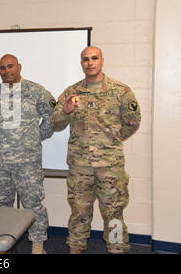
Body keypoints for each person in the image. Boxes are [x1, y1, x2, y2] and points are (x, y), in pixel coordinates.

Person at [50, 46, 141, 254]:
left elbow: (133, 121)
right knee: (79, 211)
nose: (90, 62)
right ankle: (76, 247)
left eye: (94, 58)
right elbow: (54, 124)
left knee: (114, 212)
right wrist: (65, 112)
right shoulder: (71, 92)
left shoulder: (121, 91)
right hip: (80, 165)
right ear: (81, 63)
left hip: (110, 166)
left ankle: (117, 248)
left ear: (102, 61)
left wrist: (112, 140)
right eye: (85, 59)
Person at [0, 54, 56, 254]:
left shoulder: (37, 92)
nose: (7, 71)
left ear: (19, 67)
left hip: (28, 161)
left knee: (33, 204)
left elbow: (53, 118)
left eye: (10, 66)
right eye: (3, 68)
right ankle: (3, 244)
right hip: (0, 162)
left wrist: (36, 137)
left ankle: (37, 244)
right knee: (2, 204)